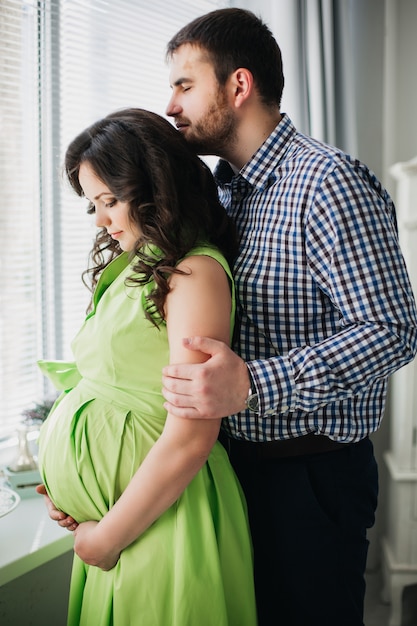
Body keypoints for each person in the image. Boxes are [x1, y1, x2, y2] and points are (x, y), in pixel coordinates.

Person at [161, 8, 417, 626]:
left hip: (311, 480)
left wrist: (252, 384)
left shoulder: (329, 182)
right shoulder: (219, 192)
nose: (170, 104)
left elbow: (392, 331)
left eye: (184, 84)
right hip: (229, 468)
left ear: (239, 85)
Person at [35, 108, 257, 626]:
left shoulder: (194, 272)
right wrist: (71, 484)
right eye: (93, 204)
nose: (100, 220)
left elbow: (192, 434)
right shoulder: (136, 263)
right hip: (120, 518)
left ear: (155, 187)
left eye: (110, 201)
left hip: (165, 520)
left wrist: (105, 540)